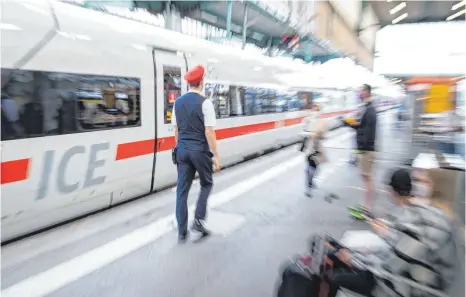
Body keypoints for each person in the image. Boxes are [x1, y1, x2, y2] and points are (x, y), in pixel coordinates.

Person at [326, 168, 457, 297]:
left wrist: (353, 259)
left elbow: (393, 265)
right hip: (409, 276)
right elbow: (404, 249)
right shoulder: (433, 214)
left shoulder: (427, 219)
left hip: (407, 286)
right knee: (336, 252)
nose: (415, 185)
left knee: (335, 276)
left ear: (434, 187)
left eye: (421, 180)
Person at [171, 65, 220, 243]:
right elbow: (209, 132)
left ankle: (182, 232)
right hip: (199, 151)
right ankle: (198, 221)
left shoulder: (177, 102)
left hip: (182, 151)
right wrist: (215, 155)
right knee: (206, 183)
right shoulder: (205, 103)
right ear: (202, 82)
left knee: (181, 191)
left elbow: (175, 130)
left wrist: (180, 146)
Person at [346, 84, 377, 217]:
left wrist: (362, 148)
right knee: (365, 178)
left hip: (366, 149)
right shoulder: (366, 108)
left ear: (366, 92)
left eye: (361, 91)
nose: (359, 94)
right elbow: (362, 127)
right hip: (364, 148)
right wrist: (352, 124)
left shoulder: (369, 109)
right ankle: (366, 207)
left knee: (367, 178)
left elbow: (367, 131)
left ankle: (367, 209)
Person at [300, 103, 327, 197]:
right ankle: (308, 187)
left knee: (316, 167)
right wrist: (310, 134)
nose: (314, 112)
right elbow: (302, 132)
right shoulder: (306, 120)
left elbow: (324, 135)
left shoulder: (322, 121)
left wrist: (320, 134)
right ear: (310, 111)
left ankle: (311, 181)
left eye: (317, 110)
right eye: (313, 110)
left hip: (318, 146)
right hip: (309, 146)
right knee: (308, 167)